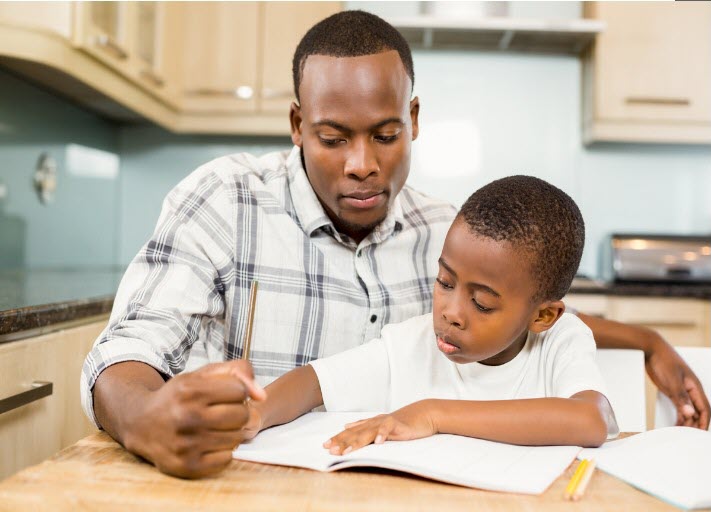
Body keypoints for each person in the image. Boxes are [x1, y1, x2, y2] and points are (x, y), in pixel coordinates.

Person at [81, 10, 709, 478]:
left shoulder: (447, 231)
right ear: (298, 125)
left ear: (413, 119)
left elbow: (523, 310)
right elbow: (130, 348)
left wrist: (648, 340)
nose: (362, 164)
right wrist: (143, 418)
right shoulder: (223, 199)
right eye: (332, 138)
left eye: (385, 135)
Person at [244, 175, 618, 451]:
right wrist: (255, 416)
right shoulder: (412, 342)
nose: (451, 313)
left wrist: (432, 414)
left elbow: (591, 420)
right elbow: (314, 381)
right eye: (445, 282)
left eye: (482, 303)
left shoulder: (560, 341)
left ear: (542, 317)